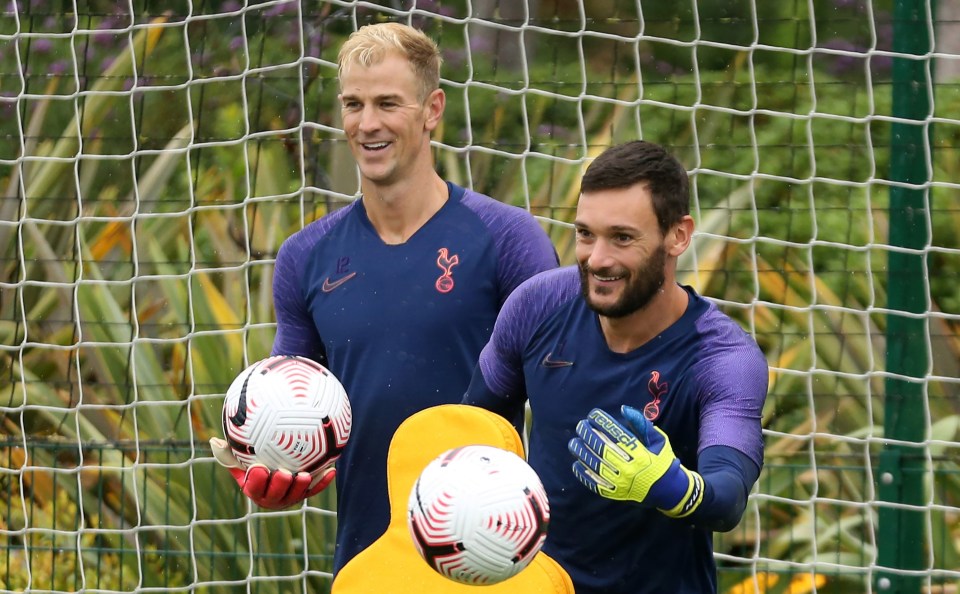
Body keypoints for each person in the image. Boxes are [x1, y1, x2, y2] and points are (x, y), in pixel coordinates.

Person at [210, 22, 558, 575]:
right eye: (353, 104)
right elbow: (293, 410)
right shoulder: (306, 256)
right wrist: (271, 466)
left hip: (492, 558)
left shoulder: (509, 241)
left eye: (387, 103)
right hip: (370, 560)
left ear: (432, 109)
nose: (367, 123)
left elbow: (564, 397)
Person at [462, 140, 768, 593]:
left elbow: (726, 499)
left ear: (678, 235)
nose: (597, 258)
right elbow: (473, 427)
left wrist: (672, 486)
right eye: (586, 234)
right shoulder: (537, 305)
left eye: (622, 237)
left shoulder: (722, 359)